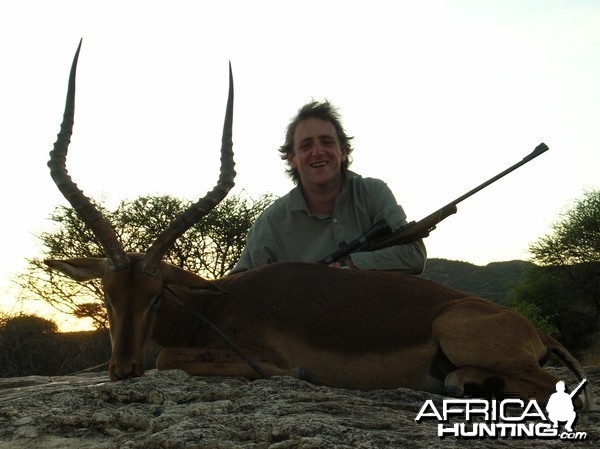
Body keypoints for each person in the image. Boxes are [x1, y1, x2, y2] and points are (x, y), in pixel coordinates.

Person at [232, 101, 426, 273]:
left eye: (327, 142)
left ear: (342, 151)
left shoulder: (373, 192)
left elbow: (413, 254)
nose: (317, 152)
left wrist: (352, 264)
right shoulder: (271, 223)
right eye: (306, 146)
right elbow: (237, 285)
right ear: (292, 159)